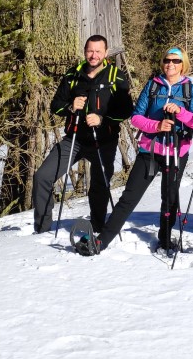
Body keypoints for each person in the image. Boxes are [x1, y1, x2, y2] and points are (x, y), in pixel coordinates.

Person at [74, 47, 193, 255]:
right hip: (149, 151)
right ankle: (102, 241)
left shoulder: (189, 90)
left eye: (176, 61)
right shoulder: (153, 85)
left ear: (183, 64)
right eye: (167, 60)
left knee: (170, 198)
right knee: (129, 197)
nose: (171, 64)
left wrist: (180, 112)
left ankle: (165, 240)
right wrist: (157, 126)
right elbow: (136, 118)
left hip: (176, 151)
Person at [33, 34, 133, 234]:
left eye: (98, 51)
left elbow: (126, 110)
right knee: (42, 177)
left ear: (105, 53)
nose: (93, 55)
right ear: (85, 51)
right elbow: (56, 106)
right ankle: (42, 229)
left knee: (99, 184)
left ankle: (97, 229)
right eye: (90, 51)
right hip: (75, 139)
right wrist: (71, 107)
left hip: (103, 140)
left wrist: (102, 119)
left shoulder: (116, 77)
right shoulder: (72, 76)